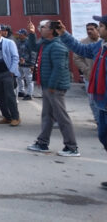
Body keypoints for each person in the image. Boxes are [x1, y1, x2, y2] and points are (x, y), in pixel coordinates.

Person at [57, 15, 107, 186]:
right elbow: (80, 49)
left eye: (101, 26)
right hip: (101, 101)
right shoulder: (99, 46)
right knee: (103, 136)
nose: (98, 29)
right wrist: (64, 33)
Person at [25, 19, 79, 156]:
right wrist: (31, 33)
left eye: (43, 27)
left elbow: (59, 68)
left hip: (54, 87)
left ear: (51, 31)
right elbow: (33, 47)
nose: (40, 28)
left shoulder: (57, 46)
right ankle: (42, 143)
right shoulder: (46, 43)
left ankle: (71, 147)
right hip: (48, 86)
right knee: (47, 116)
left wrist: (52, 86)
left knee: (61, 117)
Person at [0, 23, 21, 126]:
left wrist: (12, 71)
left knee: (10, 96)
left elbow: (15, 57)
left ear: (0, 32)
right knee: (0, 97)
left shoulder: (9, 42)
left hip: (7, 73)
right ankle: (6, 117)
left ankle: (15, 117)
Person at [76, 22, 100, 123]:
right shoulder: (83, 43)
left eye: (91, 29)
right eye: (87, 29)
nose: (89, 31)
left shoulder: (103, 42)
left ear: (98, 30)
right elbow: (77, 58)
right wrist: (87, 70)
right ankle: (98, 121)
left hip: (103, 77)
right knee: (92, 102)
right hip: (89, 78)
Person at [16, 29, 35, 101]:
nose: (18, 35)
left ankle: (29, 94)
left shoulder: (29, 42)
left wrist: (32, 64)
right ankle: (21, 91)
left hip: (28, 64)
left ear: (24, 35)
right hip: (20, 64)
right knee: (19, 78)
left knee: (29, 79)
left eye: (20, 34)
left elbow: (33, 53)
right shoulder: (18, 42)